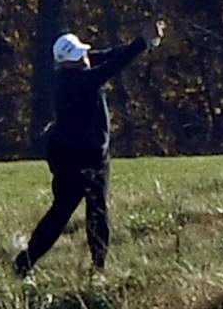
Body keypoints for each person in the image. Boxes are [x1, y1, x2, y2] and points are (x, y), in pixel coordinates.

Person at [13, 20, 166, 279]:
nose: (84, 58)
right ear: (65, 64)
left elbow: (108, 55)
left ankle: (92, 268)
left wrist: (146, 42)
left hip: (86, 155)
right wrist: (141, 42)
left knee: (92, 210)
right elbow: (112, 66)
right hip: (76, 159)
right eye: (77, 57)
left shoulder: (75, 67)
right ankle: (29, 262)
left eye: (82, 53)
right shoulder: (78, 82)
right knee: (68, 212)